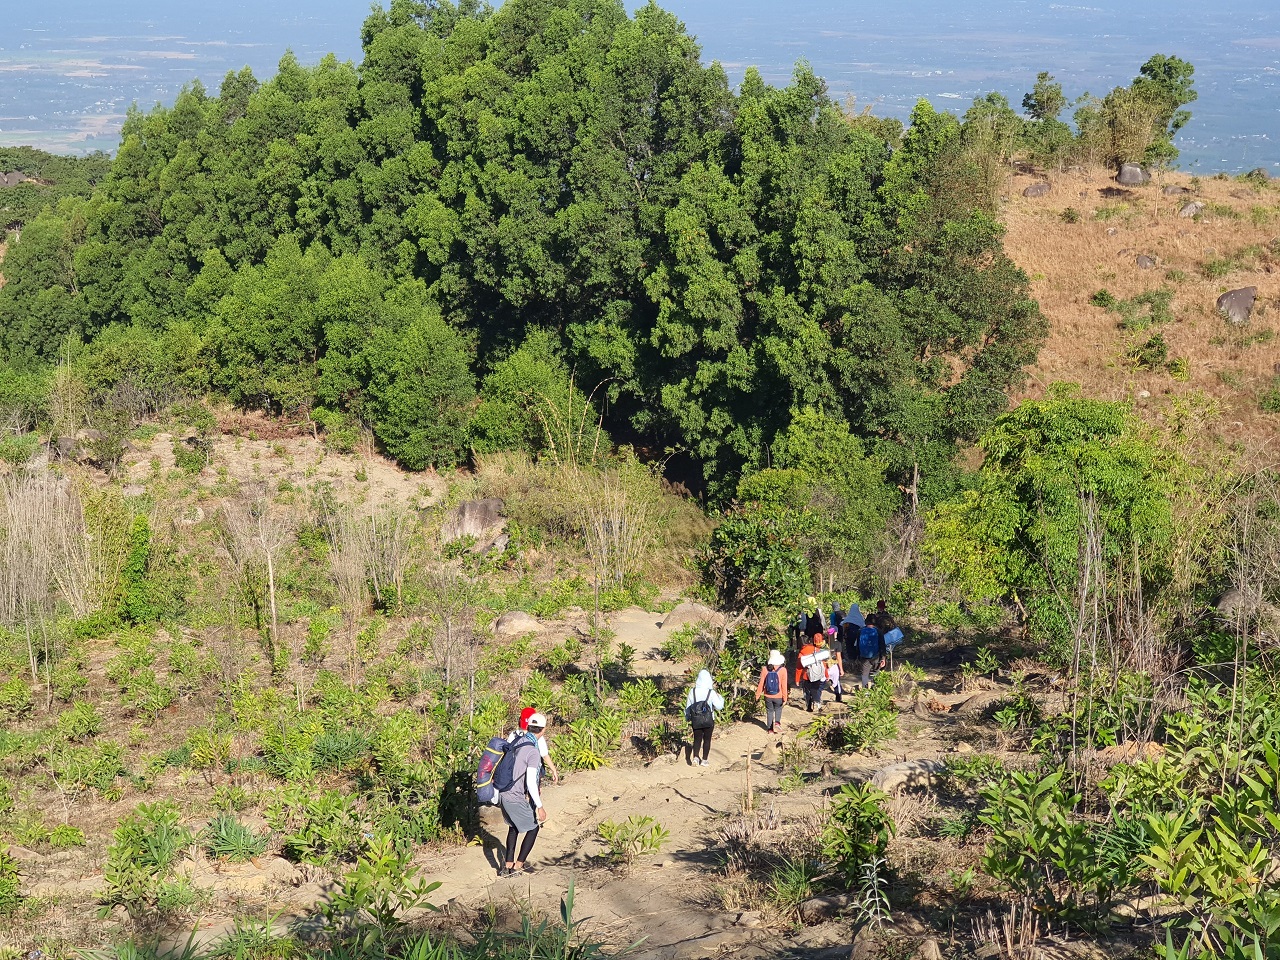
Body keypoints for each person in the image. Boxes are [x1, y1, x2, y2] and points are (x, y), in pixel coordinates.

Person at [498, 712, 549, 877]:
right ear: (543, 730)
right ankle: (518, 866)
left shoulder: (518, 740)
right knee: (533, 828)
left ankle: (507, 865)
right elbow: (531, 783)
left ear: (527, 727)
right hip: (515, 796)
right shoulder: (533, 752)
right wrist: (540, 806)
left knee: (513, 827)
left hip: (503, 792)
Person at [685, 669, 725, 766]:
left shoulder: (692, 691)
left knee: (697, 739)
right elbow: (719, 706)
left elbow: (688, 707)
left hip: (696, 719)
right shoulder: (710, 692)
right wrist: (720, 698)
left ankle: (695, 757)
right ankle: (704, 760)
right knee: (707, 740)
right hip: (708, 720)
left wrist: (687, 717)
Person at [513, 706, 560, 785]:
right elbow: (544, 755)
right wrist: (553, 770)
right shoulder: (538, 737)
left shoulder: (514, 734)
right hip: (531, 770)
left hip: (516, 772)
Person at [795, 629, 829, 712]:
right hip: (817, 674)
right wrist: (826, 674)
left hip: (806, 676)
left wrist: (797, 680)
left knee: (807, 692)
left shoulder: (801, 653)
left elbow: (799, 668)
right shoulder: (816, 650)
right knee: (815, 690)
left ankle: (809, 707)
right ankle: (817, 704)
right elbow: (823, 664)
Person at [756, 650, 789, 733]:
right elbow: (784, 686)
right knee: (778, 709)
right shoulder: (783, 670)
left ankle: (770, 729)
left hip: (768, 695)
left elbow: (761, 683)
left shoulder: (764, 669)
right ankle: (777, 723)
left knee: (769, 711)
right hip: (778, 695)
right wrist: (785, 697)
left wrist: (758, 695)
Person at [855, 622, 886, 690]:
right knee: (876, 672)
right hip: (876, 657)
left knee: (865, 674)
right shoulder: (878, 631)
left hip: (864, 657)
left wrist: (858, 656)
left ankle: (865, 692)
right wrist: (883, 658)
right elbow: (882, 646)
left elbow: (857, 645)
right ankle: (875, 690)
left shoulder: (860, 631)